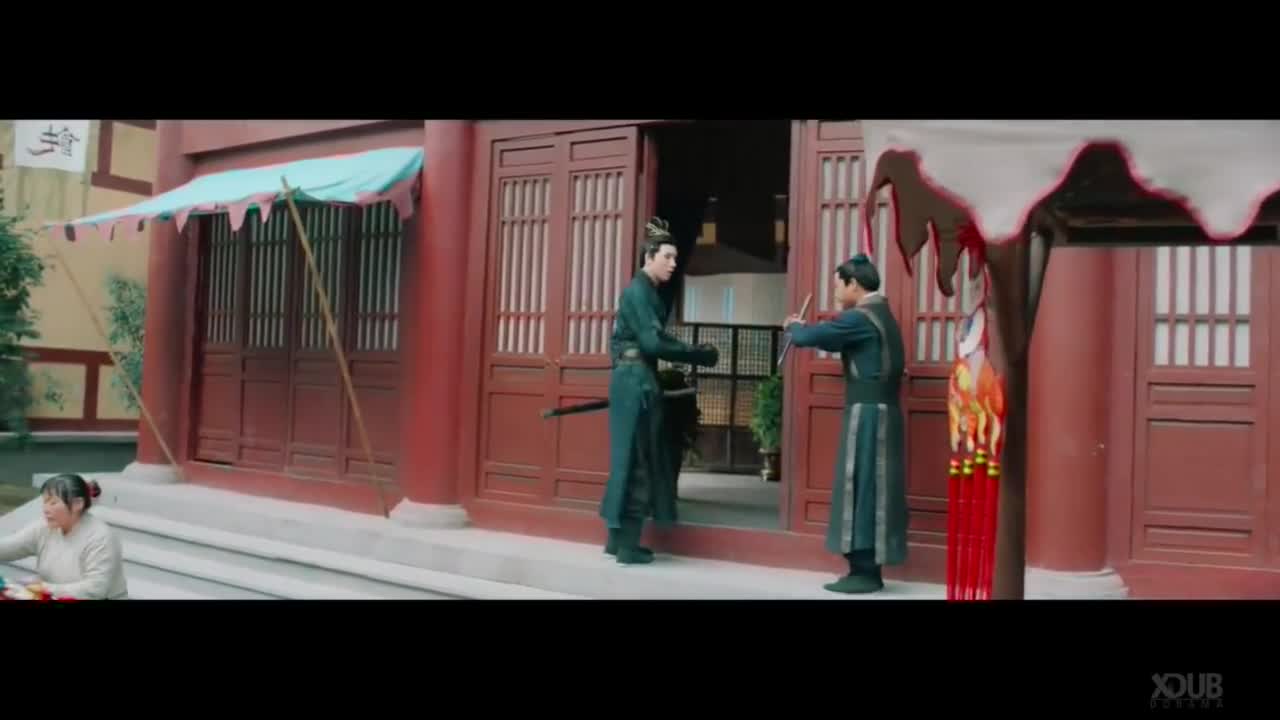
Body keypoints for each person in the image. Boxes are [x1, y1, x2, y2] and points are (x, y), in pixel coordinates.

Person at [785, 254, 908, 593]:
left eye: (838, 285)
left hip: (867, 415)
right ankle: (867, 569)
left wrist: (794, 327)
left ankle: (864, 572)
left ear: (854, 284)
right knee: (874, 487)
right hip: (883, 412)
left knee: (863, 485)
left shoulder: (861, 317)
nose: (836, 292)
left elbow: (814, 336)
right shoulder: (882, 314)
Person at [600, 218, 719, 565]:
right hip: (636, 380)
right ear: (649, 256)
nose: (672, 263)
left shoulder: (643, 292)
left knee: (626, 458)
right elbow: (652, 342)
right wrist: (698, 354)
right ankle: (627, 546)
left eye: (675, 257)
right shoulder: (640, 292)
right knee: (639, 459)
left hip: (631, 378)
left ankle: (616, 540)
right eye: (667, 256)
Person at [0, 473, 128, 599]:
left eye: (53, 503)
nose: (46, 509)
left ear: (78, 504)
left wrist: (44, 588)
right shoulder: (44, 528)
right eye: (45, 502)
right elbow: (9, 547)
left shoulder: (101, 537)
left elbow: (95, 588)